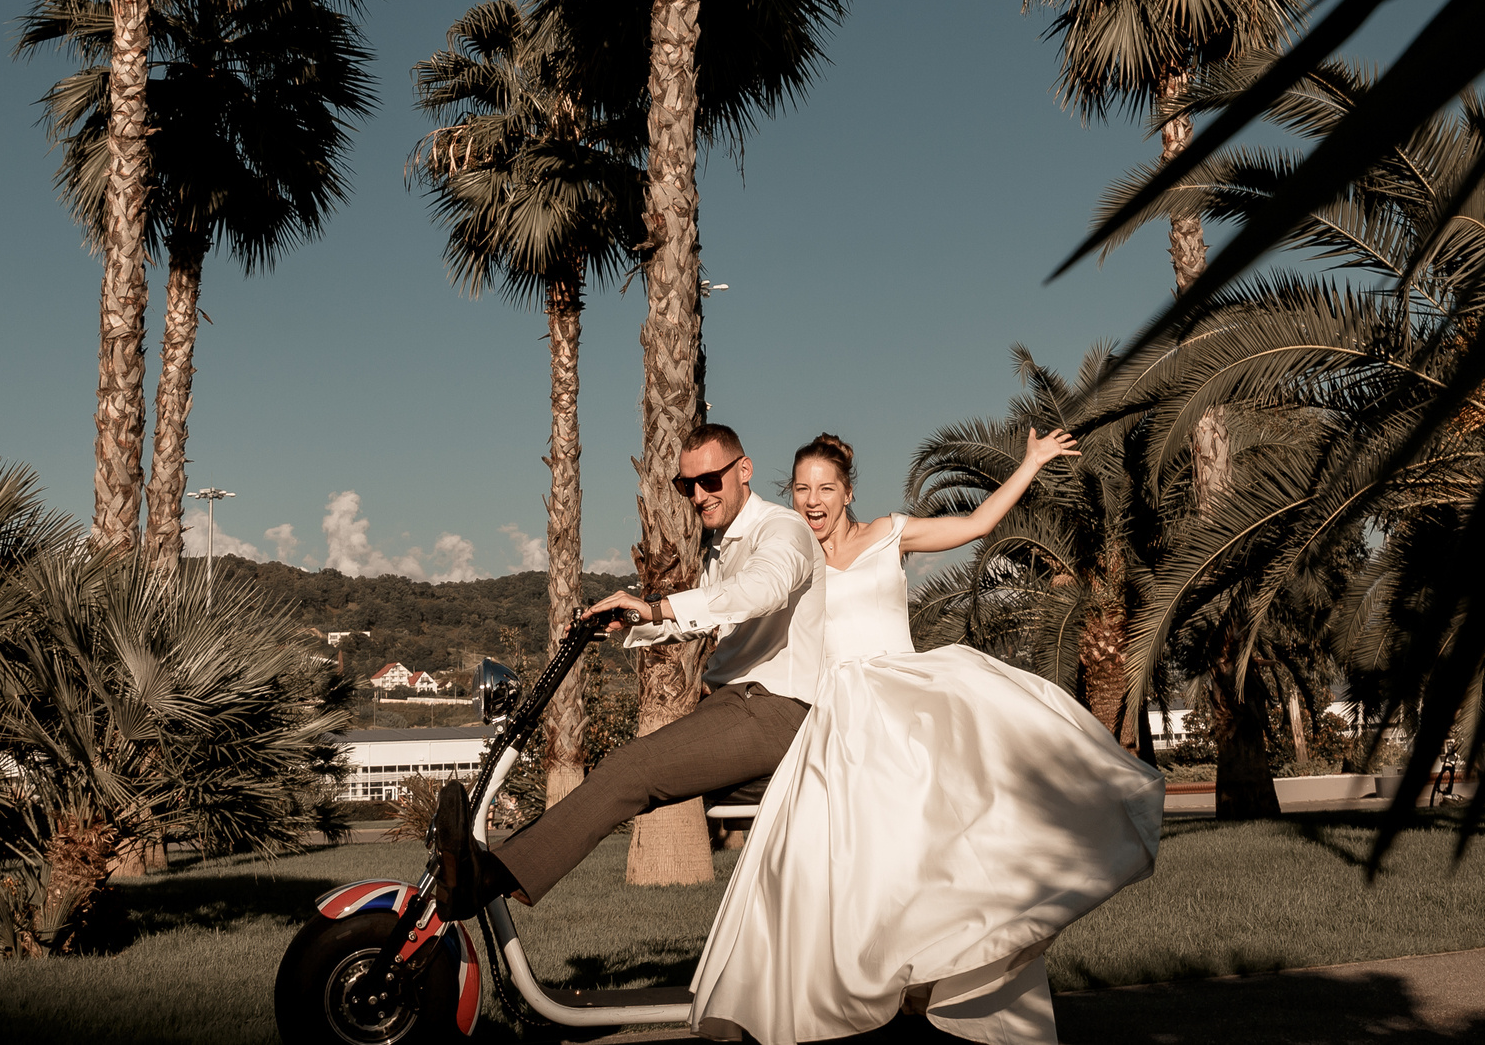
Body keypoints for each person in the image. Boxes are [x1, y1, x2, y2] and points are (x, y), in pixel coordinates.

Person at [690, 429, 1166, 1045]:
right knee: (835, 863)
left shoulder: (890, 532)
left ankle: (949, 975)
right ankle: (842, 993)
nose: (813, 500)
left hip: (905, 700)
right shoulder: (787, 556)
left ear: (847, 492)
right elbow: (745, 625)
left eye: (825, 488)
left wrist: (1030, 462)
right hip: (835, 717)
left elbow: (977, 522)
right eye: (802, 489)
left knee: (942, 848)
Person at [429, 420, 820, 917]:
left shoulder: (782, 530)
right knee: (625, 771)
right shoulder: (723, 545)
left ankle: (492, 876)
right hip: (734, 706)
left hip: (774, 708)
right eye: (687, 485)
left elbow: (761, 591)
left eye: (710, 480)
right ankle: (496, 863)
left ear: (744, 470)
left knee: (631, 768)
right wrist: (632, 621)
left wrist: (657, 608)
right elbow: (704, 617)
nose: (698, 495)